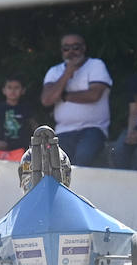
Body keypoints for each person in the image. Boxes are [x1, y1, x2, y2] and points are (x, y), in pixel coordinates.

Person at [40, 33, 112, 166]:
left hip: (93, 129)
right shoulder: (54, 71)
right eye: (66, 49)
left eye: (75, 47)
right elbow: (47, 100)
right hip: (63, 131)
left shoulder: (96, 65)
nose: (71, 52)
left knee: (82, 160)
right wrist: (67, 73)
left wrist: (64, 96)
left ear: (83, 48)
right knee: (55, 166)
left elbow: (94, 95)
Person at [0, 75, 35, 159]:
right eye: (9, 87)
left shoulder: (26, 109)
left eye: (16, 88)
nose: (13, 91)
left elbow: (34, 128)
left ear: (23, 91)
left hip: (22, 150)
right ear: (4, 90)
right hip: (1, 149)